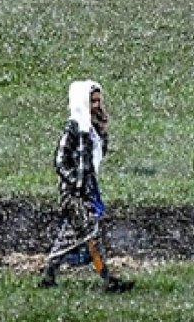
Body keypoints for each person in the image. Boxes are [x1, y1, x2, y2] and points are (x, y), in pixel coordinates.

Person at [37, 80, 134, 293]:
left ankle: (49, 275)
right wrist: (76, 183)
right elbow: (60, 161)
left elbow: (96, 155)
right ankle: (107, 279)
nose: (97, 105)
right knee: (90, 234)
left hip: (87, 189)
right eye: (93, 101)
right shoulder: (74, 128)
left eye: (99, 100)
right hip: (74, 193)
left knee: (70, 235)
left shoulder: (91, 127)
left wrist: (101, 129)